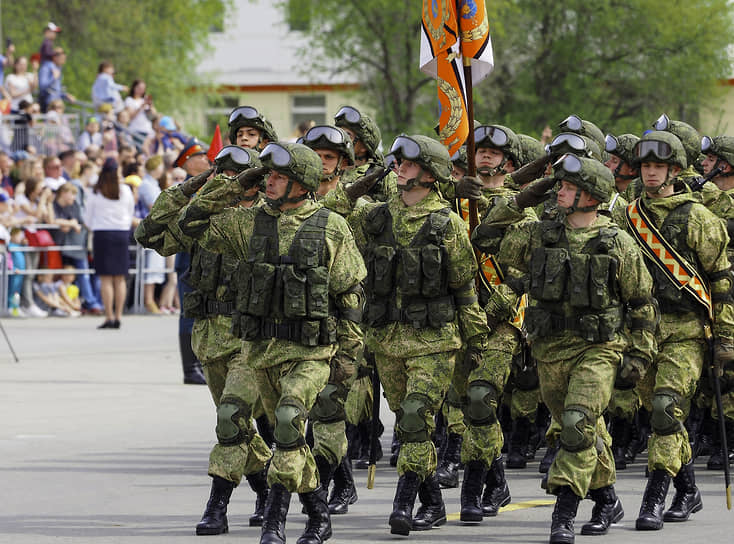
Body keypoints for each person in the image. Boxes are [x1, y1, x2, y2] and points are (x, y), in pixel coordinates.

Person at [177, 141, 366, 544]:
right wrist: (233, 185)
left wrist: (348, 361)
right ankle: (317, 512)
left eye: (279, 175)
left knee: (286, 421)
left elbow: (349, 298)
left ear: (301, 183)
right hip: (261, 351)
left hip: (311, 352)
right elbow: (190, 222)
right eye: (267, 175)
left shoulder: (331, 225)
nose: (270, 182)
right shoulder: (250, 224)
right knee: (290, 436)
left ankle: (274, 524)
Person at [323, 134, 489, 536]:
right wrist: (370, 177)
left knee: (415, 420)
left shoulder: (447, 223)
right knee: (409, 420)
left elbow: (465, 287)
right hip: (386, 339)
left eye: (409, 164)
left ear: (430, 175)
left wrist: (477, 342)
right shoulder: (376, 216)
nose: (399, 169)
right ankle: (432, 502)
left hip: (434, 339)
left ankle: (402, 504)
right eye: (397, 163)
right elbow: (329, 210)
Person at [491, 154, 657, 543]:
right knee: (581, 429)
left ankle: (563, 515)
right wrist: (523, 197)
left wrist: (639, 355)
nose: (559, 191)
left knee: (576, 423)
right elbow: (488, 236)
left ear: (590, 195)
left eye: (566, 186)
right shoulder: (540, 233)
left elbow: (642, 304)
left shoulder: (617, 243)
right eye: (559, 185)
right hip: (551, 348)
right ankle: (607, 499)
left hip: (599, 347)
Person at [136, 145, 274, 534]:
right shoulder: (201, 218)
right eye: (223, 174)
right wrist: (192, 185)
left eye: (236, 176)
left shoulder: (267, 217)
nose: (228, 182)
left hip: (252, 337)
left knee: (231, 418)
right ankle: (265, 488)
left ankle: (217, 505)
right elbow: (149, 234)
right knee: (236, 425)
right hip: (210, 335)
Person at [622, 131, 734, 531]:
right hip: (642, 333)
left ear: (674, 170)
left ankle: (653, 499)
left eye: (658, 166)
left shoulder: (699, 217)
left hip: (686, 329)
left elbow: (722, 282)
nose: (651, 173)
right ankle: (688, 490)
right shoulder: (627, 215)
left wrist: (724, 337)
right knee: (661, 416)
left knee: (665, 410)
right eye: (645, 166)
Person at [170, 139, 210, 384]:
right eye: (201, 157)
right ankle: (189, 368)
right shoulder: (184, 190)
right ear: (188, 163)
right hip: (188, 260)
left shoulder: (204, 188)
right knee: (189, 314)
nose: (206, 161)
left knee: (203, 315)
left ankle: (201, 364)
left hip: (203, 260)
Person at [84, 158, 134, 329]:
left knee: (106, 279)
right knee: (119, 278)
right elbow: (130, 212)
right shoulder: (125, 190)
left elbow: (87, 218)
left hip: (102, 233)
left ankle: (109, 316)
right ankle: (118, 316)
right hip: (120, 233)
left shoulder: (96, 191)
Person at [51, 182, 103, 314]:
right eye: (72, 194)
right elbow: (56, 221)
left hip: (74, 245)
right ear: (63, 193)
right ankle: (88, 303)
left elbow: (76, 221)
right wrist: (70, 223)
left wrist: (70, 223)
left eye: (75, 194)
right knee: (66, 276)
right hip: (62, 245)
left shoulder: (73, 205)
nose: (74, 197)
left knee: (79, 276)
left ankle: (85, 302)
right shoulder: (54, 205)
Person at [38, 47, 75, 114]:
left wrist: (65, 95)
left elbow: (57, 90)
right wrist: (53, 78)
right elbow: (42, 87)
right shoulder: (46, 68)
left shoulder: (58, 68)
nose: (64, 57)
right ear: (54, 57)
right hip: (49, 106)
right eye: (61, 55)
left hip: (57, 106)